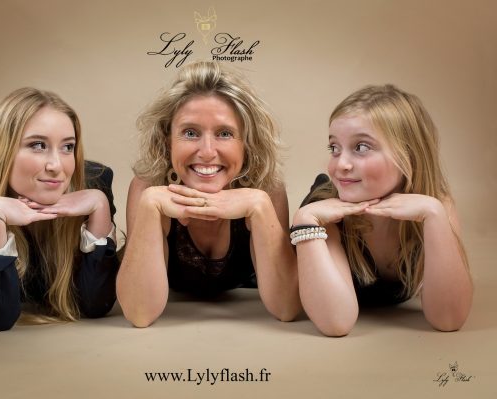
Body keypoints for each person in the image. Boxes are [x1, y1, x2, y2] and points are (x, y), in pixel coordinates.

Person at [116, 61, 301, 327]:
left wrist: (259, 206)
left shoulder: (266, 188)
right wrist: (148, 207)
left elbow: (287, 308)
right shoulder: (148, 187)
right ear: (167, 140)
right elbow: (139, 314)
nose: (206, 151)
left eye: (225, 133)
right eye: (190, 133)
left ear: (247, 143)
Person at [293, 84, 472, 336]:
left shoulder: (435, 205)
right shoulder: (323, 211)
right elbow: (335, 322)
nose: (340, 164)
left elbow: (449, 319)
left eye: (361, 147)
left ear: (408, 156)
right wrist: (305, 218)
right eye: (334, 148)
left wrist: (434, 214)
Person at [0, 87, 119, 333]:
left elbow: (96, 304)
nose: (57, 165)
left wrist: (100, 205)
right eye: (37, 145)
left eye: (68, 147)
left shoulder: (95, 181)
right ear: (3, 152)